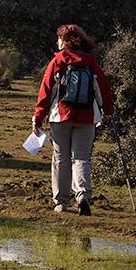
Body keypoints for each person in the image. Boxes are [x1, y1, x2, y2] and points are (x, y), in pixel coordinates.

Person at [31, 24, 114, 216]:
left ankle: (61, 202)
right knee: (82, 158)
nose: (57, 42)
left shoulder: (57, 61)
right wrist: (108, 110)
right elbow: (103, 90)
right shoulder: (91, 62)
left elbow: (46, 92)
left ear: (65, 41)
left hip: (60, 117)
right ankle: (83, 195)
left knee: (61, 159)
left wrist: (38, 117)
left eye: (59, 38)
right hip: (87, 117)